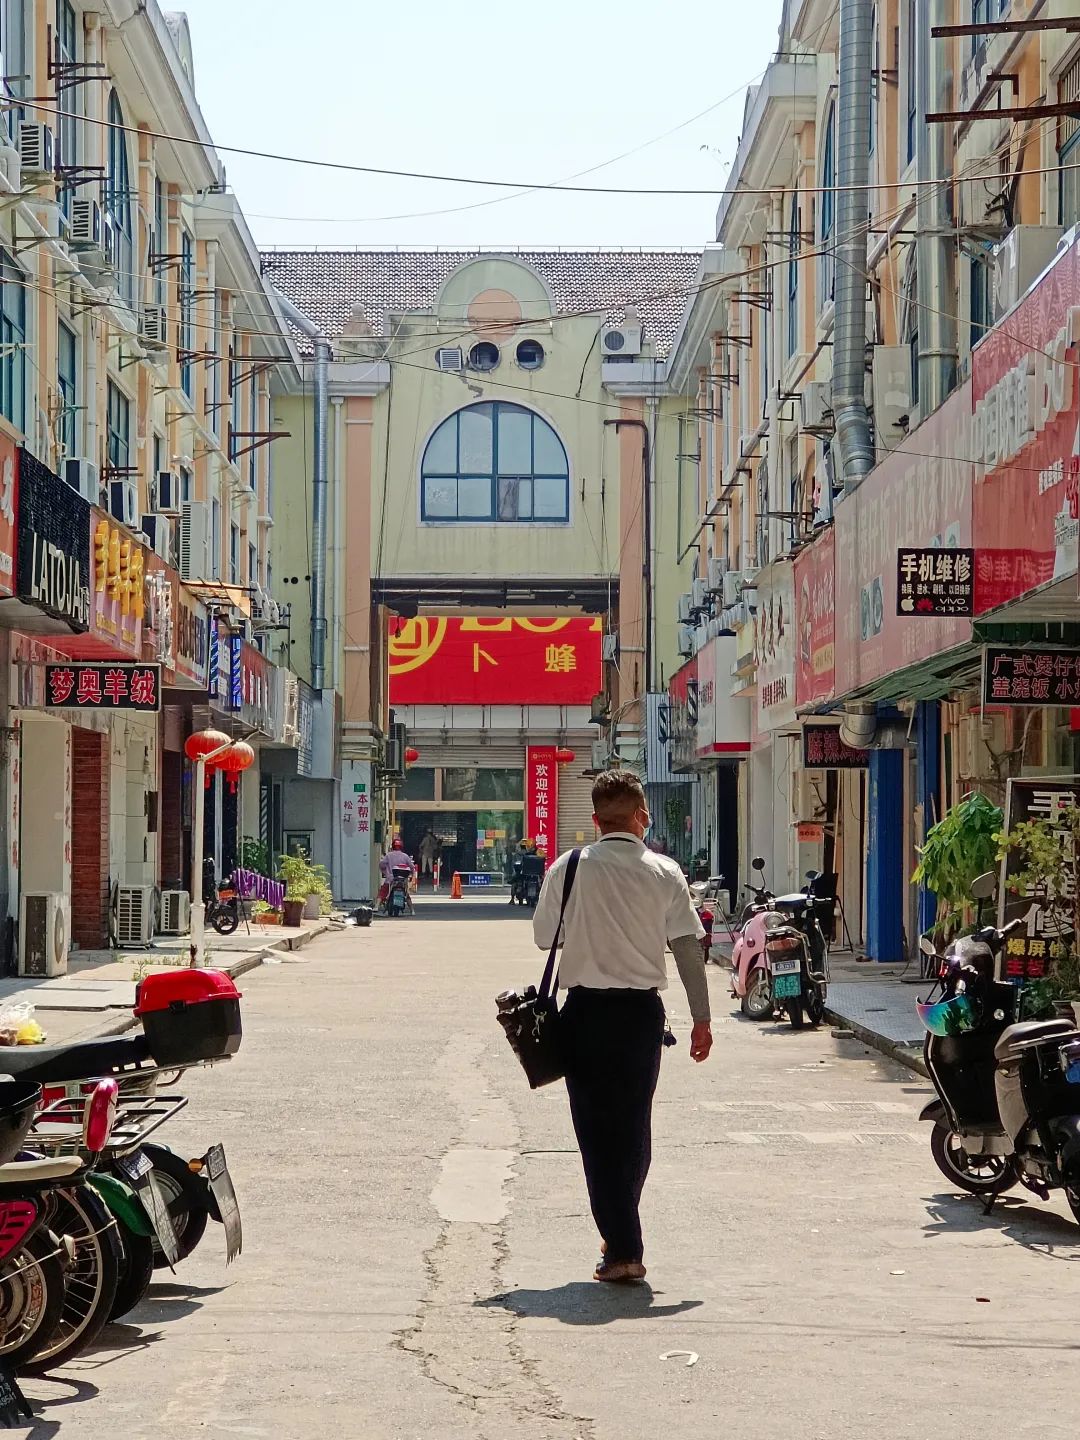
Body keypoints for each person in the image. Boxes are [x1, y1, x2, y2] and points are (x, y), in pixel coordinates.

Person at [533, 769, 712, 1284]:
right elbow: (687, 950)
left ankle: (623, 1248)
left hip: (584, 1016)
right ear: (642, 816)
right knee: (634, 1127)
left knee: (595, 1134)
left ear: (595, 821)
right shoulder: (664, 871)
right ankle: (621, 1237)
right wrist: (702, 1020)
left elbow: (545, 938)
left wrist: (591, 928)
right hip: (640, 1018)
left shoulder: (568, 868)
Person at [378, 837, 415, 906]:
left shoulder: (389, 855)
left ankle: (376, 906)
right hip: (403, 880)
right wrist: (412, 875)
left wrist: (385, 872)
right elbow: (412, 867)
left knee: (382, 892)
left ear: (393, 846)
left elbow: (381, 864)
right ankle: (412, 910)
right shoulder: (405, 856)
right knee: (406, 894)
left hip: (390, 879)